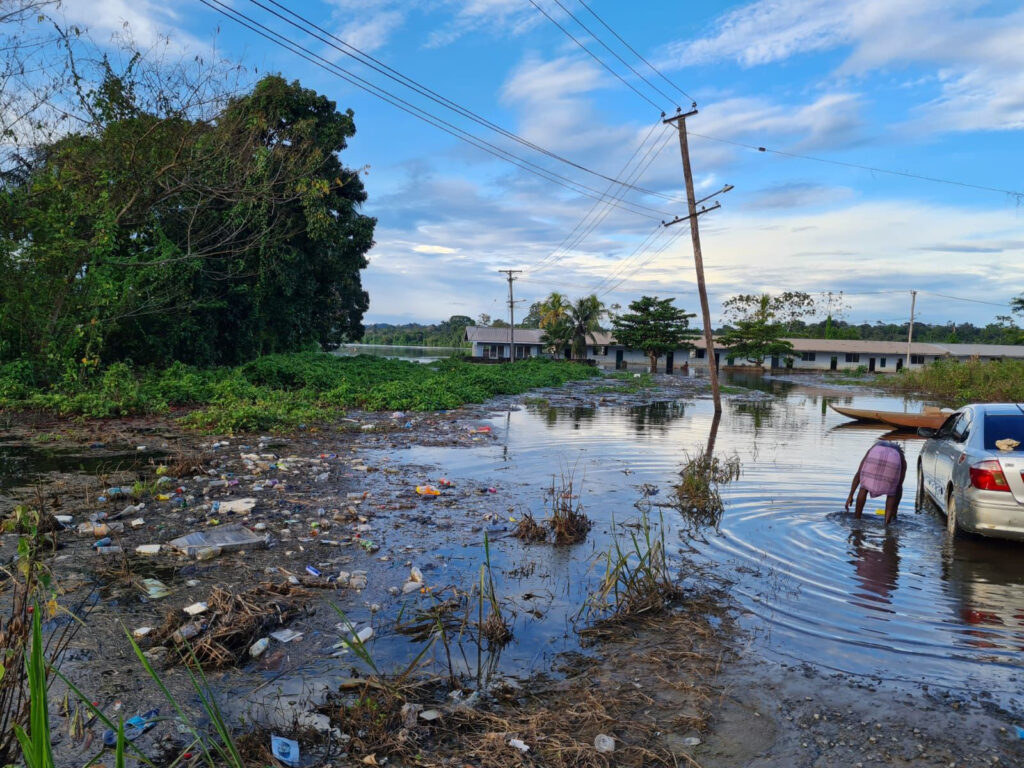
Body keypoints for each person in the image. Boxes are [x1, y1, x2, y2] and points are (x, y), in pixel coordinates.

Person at [845, 439, 907, 525]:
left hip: (875, 453)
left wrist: (850, 496)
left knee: (864, 487)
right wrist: (895, 510)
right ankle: (887, 522)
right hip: (894, 459)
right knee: (892, 492)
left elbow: (859, 473)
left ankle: (857, 518)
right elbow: (899, 486)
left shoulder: (875, 447)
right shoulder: (899, 454)